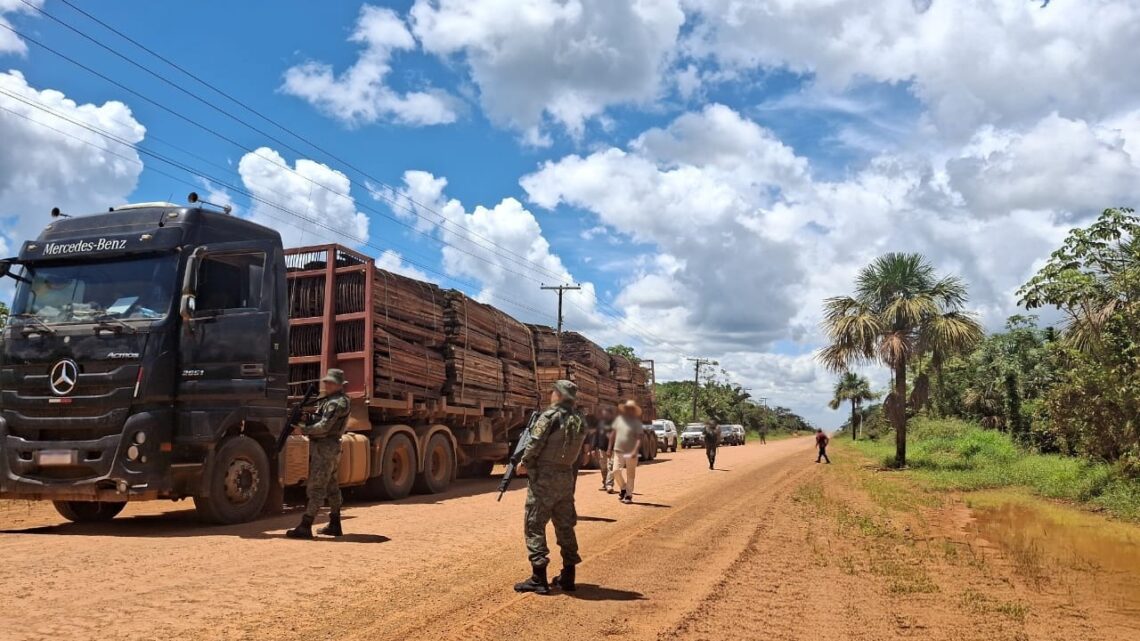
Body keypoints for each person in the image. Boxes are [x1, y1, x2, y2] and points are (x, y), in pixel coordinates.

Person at [514, 380, 588, 594]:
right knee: (565, 525)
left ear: (559, 395)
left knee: (534, 523)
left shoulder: (549, 416)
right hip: (565, 478)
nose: (551, 395)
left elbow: (535, 443)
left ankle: (539, 578)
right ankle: (568, 575)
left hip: (544, 478)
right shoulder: (580, 419)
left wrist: (524, 464)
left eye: (554, 392)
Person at [286, 368, 351, 539]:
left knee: (316, 487)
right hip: (328, 447)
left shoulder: (336, 402)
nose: (326, 384)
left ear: (338, 384)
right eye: (326, 382)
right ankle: (335, 524)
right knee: (331, 486)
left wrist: (304, 430)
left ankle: (305, 526)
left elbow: (324, 427)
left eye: (330, 382)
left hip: (325, 448)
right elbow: (320, 420)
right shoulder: (332, 400)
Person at [609, 400, 643, 505]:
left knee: (630, 474)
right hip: (618, 450)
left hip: (631, 451)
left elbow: (639, 439)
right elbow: (612, 434)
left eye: (631, 409)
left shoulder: (637, 423)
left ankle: (628, 495)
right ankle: (623, 488)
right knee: (615, 471)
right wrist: (609, 448)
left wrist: (634, 450)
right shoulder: (618, 420)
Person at [588, 407, 615, 492]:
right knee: (603, 467)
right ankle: (605, 483)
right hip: (601, 449)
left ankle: (609, 485)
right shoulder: (600, 424)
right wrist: (592, 448)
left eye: (606, 413)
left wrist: (610, 449)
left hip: (612, 449)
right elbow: (595, 437)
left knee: (611, 467)